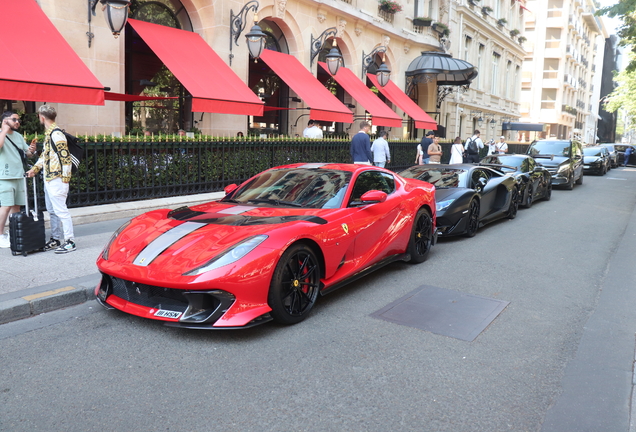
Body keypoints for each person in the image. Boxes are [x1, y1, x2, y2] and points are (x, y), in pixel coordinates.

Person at [26, 105, 76, 254]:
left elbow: (65, 158)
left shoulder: (56, 134)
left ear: (42, 117)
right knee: (53, 210)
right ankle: (56, 239)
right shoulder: (50, 134)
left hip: (57, 179)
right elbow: (45, 156)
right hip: (50, 178)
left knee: (61, 211)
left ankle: (70, 241)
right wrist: (35, 169)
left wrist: (66, 178)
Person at [0, 112, 37, 248]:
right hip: (5, 176)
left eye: (18, 120)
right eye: (14, 119)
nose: (17, 122)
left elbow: (27, 153)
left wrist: (32, 150)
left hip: (19, 175)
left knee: (16, 206)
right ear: (5, 120)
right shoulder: (1, 133)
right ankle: (0, 235)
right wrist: (4, 130)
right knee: (6, 206)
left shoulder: (19, 136)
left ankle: (13, 232)